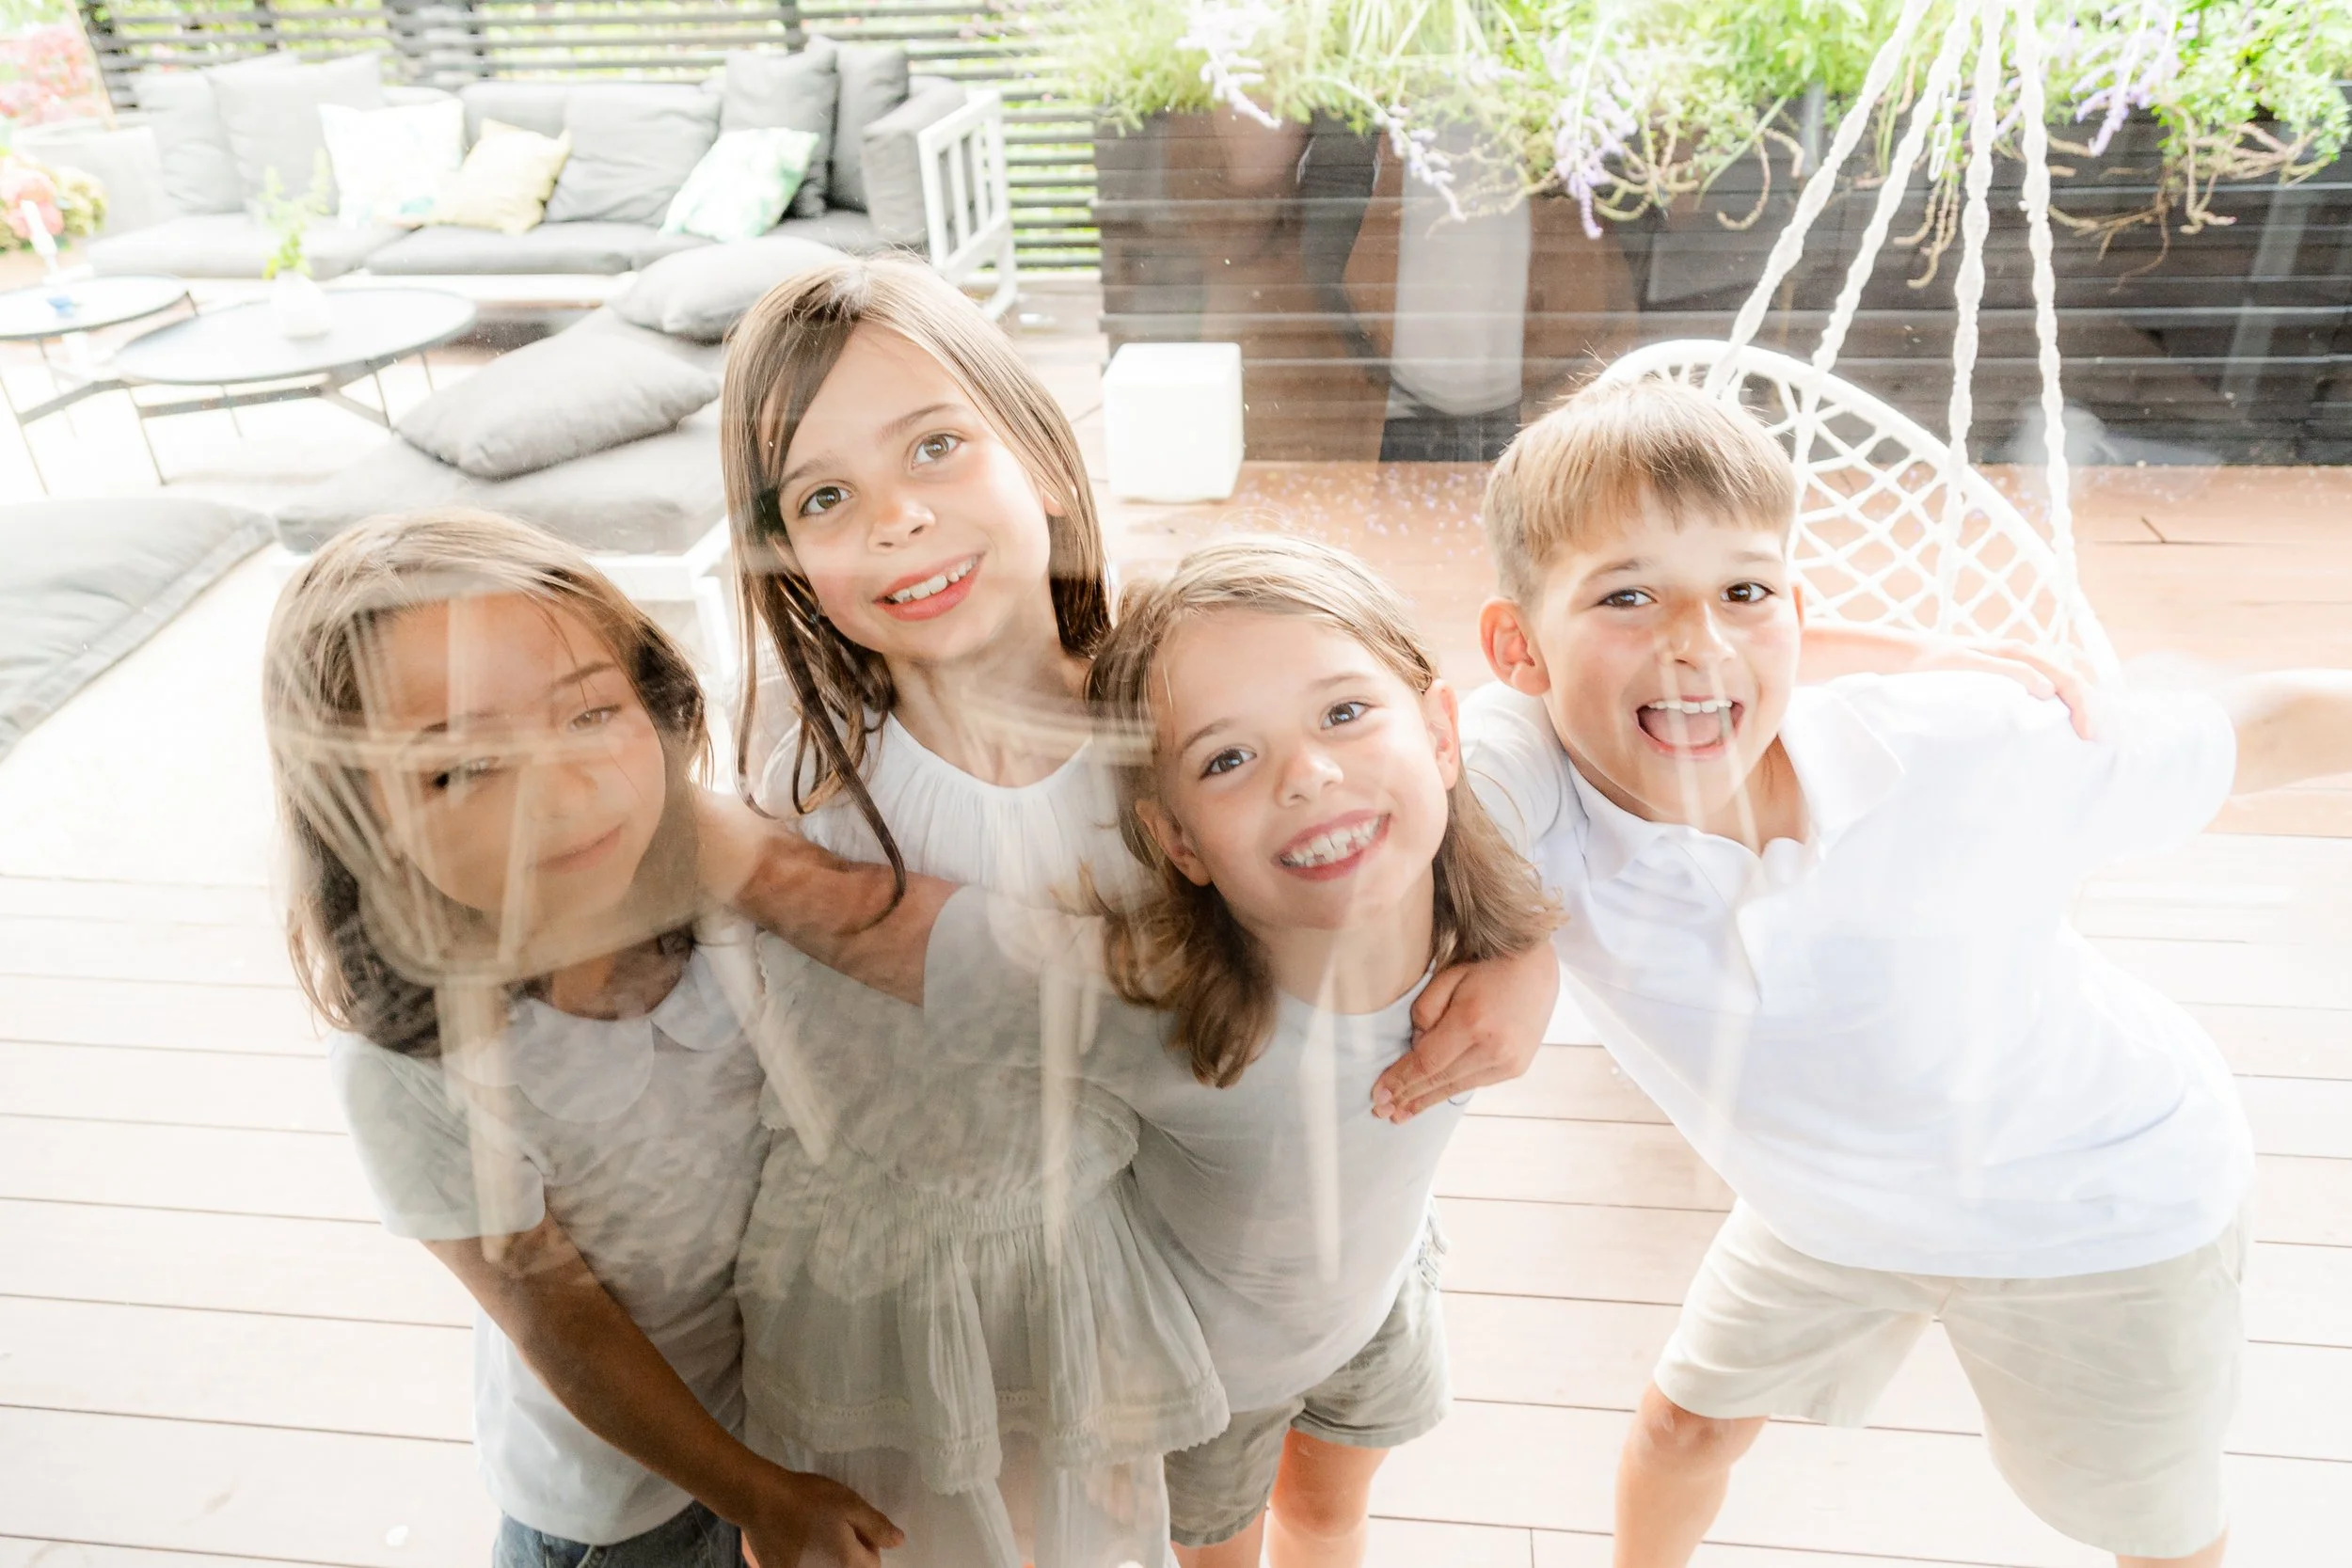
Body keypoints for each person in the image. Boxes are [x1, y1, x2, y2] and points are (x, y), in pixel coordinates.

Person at [708, 258, 1565, 1567]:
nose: (897, 519)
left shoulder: (1175, 716)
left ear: (1043, 460)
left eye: (936, 446)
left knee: (1326, 1503)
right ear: (786, 553)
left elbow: (1421, 768)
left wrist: (1527, 951)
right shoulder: (806, 774)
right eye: (827, 495)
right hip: (1103, 1295)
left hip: (1345, 1229)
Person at [1459, 375, 2352, 1568]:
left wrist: (1917, 654)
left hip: (2097, 1206)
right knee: (1681, 1429)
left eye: (1743, 592)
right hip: (1825, 1204)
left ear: (1790, 607)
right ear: (1516, 645)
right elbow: (1415, 774)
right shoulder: (1536, 800)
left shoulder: (1968, 747)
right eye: (1627, 594)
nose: (1696, 642)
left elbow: (2267, 725)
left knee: (2154, 1523)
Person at [263, 510, 903, 1568]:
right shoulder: (408, 1056)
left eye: (589, 713)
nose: (561, 793)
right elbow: (555, 1315)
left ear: (654, 707)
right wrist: (757, 1493)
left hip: (802, 1405)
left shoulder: (712, 878)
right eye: (460, 768)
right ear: (358, 822)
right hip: (621, 1506)